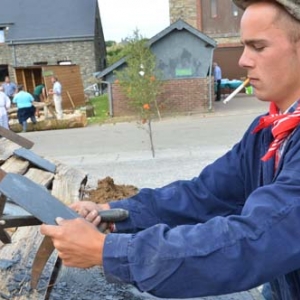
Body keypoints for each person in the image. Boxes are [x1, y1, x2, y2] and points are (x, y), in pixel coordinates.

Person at [41, 1, 300, 299]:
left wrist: (109, 252)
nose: (242, 60)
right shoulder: (268, 132)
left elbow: (257, 239)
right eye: (244, 46)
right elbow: (203, 196)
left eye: (258, 47)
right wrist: (115, 214)